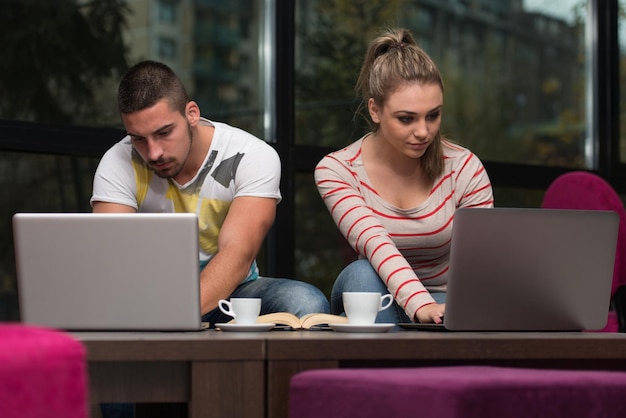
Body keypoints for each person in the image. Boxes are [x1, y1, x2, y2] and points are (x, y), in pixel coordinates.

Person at [91, 60, 330, 326]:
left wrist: (175, 316)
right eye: (138, 138)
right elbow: (110, 259)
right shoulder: (118, 161)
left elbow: (237, 253)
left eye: (164, 132)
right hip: (149, 297)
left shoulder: (249, 156)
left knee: (306, 303)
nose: (153, 152)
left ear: (191, 113)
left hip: (231, 294)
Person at [314, 28, 494, 325]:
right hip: (378, 296)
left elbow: (481, 262)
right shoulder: (337, 170)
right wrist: (420, 306)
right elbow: (375, 243)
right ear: (375, 110)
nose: (423, 131)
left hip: (446, 302)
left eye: (433, 115)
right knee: (362, 273)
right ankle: (391, 370)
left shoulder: (464, 167)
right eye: (406, 119)